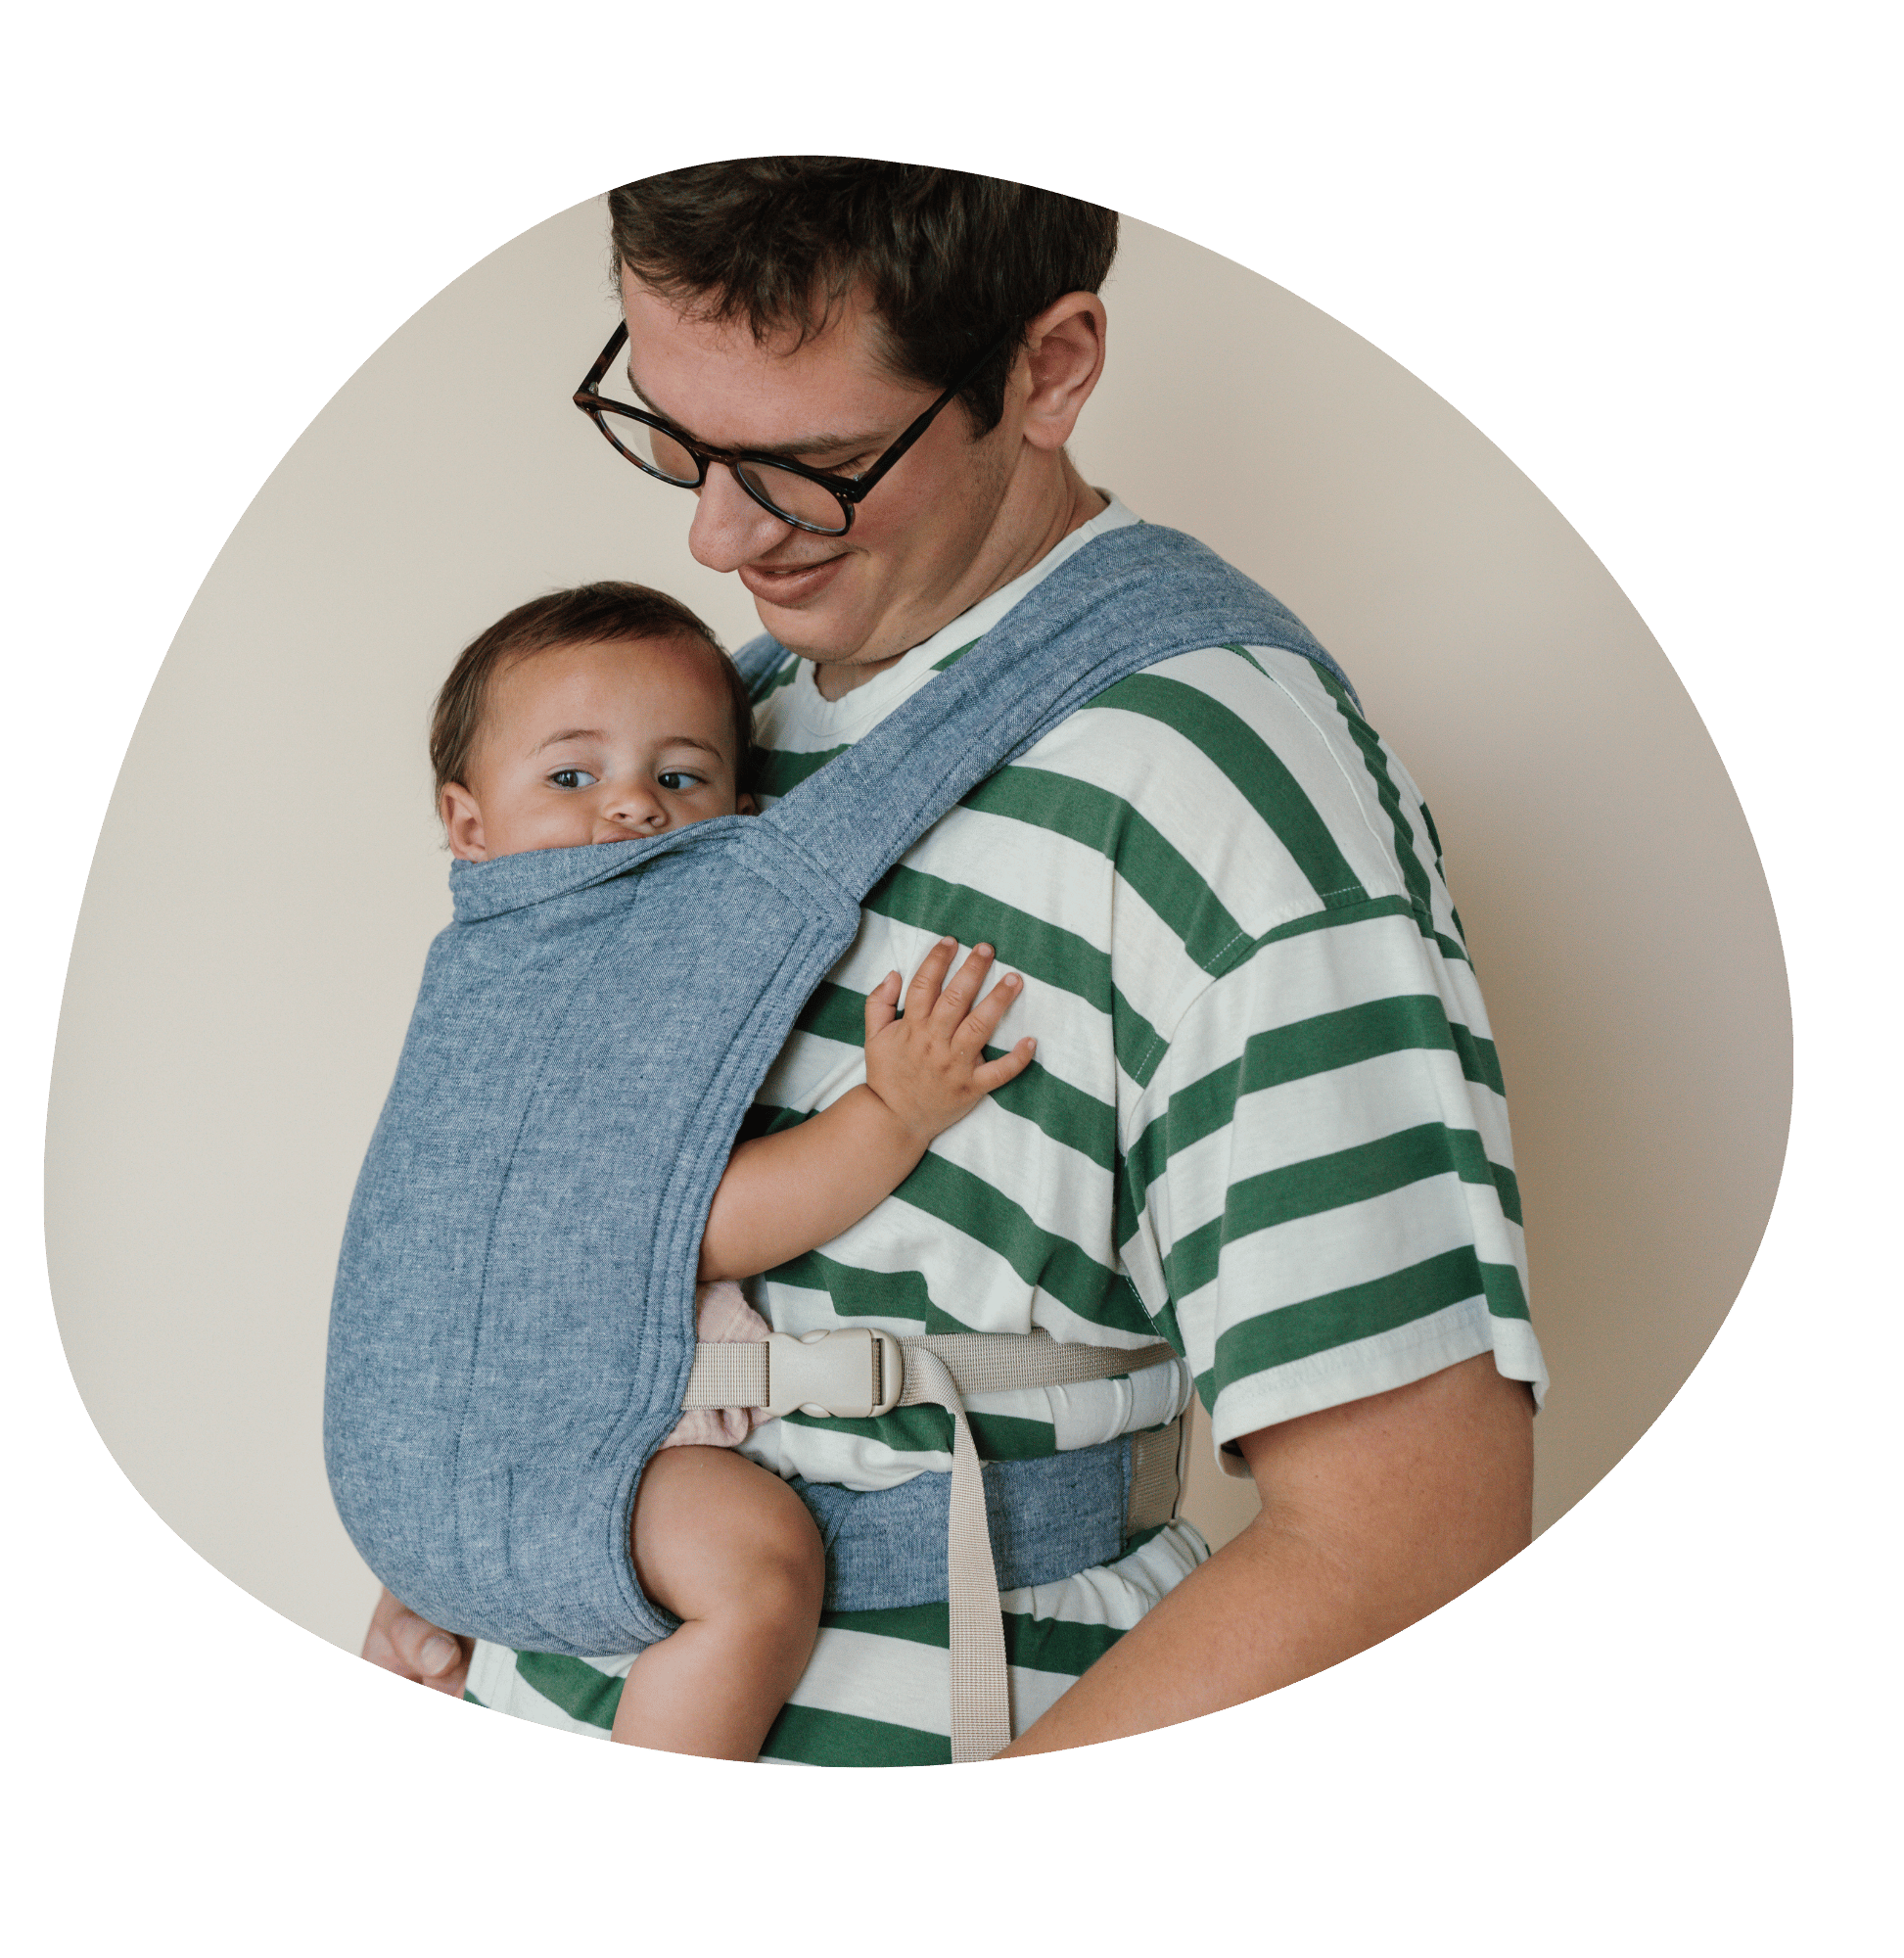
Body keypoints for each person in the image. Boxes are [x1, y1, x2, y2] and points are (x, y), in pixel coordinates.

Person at [364, 160, 1546, 1762]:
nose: (716, 538)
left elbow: (1409, 1539)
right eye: (674, 432)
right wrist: (466, 1534)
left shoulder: (1221, 790)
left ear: (1047, 370)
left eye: (813, 465)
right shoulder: (712, 734)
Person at [401, 579, 1037, 1759]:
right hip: (550, 1440)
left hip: (479, 1445)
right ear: (469, 823)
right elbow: (669, 1228)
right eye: (572, 777)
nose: (634, 806)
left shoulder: (526, 975)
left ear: (742, 812)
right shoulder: (552, 985)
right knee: (757, 1562)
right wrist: (889, 1112)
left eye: (681, 777)